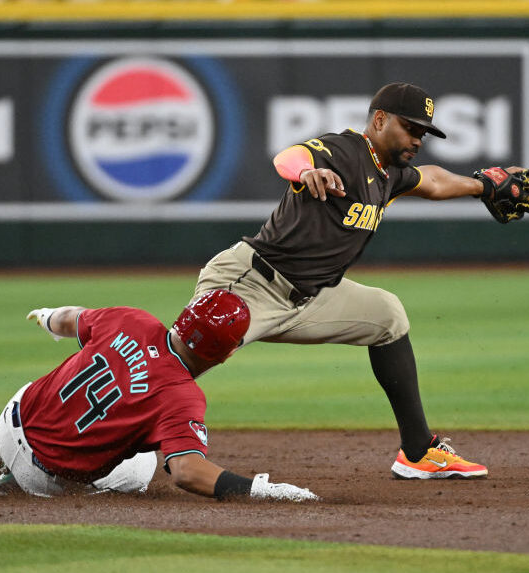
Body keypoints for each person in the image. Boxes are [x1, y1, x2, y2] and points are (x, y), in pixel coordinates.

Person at [192, 82, 499, 480]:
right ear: (380, 119)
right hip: (251, 284)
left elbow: (434, 181)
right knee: (176, 364)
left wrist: (484, 185)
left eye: (423, 133)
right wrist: (307, 171)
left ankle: (418, 452)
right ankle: (103, 431)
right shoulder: (345, 150)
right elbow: (290, 155)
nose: (417, 139)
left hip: (310, 297)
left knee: (387, 315)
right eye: (411, 128)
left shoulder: (391, 173)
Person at [0, 289, 318, 502]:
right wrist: (257, 489)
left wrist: (46, 316)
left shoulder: (133, 320)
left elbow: (70, 318)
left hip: (12, 416)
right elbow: (187, 472)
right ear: (226, 353)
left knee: (40, 390)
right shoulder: (181, 395)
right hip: (43, 479)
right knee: (143, 467)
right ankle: (6, 478)